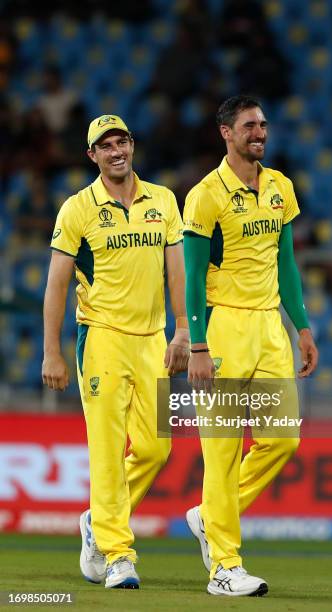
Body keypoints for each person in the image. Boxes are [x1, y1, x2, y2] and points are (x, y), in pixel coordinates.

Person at [42, 114, 189, 589]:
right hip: (101, 336)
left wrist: (183, 329)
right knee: (107, 452)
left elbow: (176, 274)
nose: (116, 151)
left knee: (155, 448)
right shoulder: (77, 209)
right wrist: (53, 352)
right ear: (92, 156)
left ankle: (96, 521)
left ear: (132, 144)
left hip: (153, 340)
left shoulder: (163, 201)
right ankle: (117, 553)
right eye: (105, 146)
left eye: (121, 140)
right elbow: (57, 285)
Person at [183, 95, 318, 596]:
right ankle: (224, 567)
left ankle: (208, 515)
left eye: (262, 124)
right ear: (226, 132)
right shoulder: (204, 196)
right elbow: (192, 278)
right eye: (248, 126)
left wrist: (301, 326)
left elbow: (285, 263)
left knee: (283, 440)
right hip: (223, 332)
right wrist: (197, 344)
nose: (259, 132)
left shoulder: (280, 186)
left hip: (270, 332)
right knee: (221, 452)